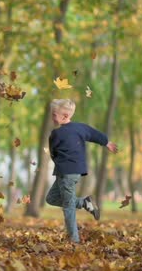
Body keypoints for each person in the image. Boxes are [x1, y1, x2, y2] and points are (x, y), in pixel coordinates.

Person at [45, 99, 118, 243]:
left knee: (68, 207)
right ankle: (85, 203)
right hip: (69, 172)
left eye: (54, 115)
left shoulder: (56, 134)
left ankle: (74, 240)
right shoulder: (80, 128)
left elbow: (53, 152)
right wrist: (106, 142)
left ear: (65, 116)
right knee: (51, 198)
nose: (52, 117)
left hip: (67, 173)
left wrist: (106, 142)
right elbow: (94, 134)